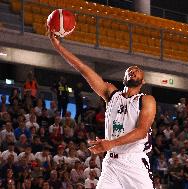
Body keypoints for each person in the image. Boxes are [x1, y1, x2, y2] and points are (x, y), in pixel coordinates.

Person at [49, 31, 156, 189]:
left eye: (137, 70)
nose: (133, 71)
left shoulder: (146, 100)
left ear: (143, 80)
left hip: (134, 163)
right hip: (111, 163)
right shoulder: (111, 94)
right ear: (124, 78)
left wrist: (111, 143)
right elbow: (83, 68)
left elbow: (141, 131)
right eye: (130, 70)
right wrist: (59, 47)